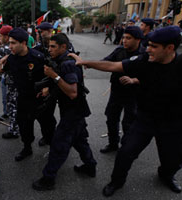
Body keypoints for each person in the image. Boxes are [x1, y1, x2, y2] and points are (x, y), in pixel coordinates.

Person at [68, 26, 182, 196]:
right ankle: (116, 182)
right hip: (145, 119)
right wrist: (84, 62)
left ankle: (166, 175)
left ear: (170, 48)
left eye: (153, 46)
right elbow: (113, 65)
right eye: (148, 44)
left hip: (171, 122)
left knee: (173, 158)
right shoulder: (144, 61)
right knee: (125, 152)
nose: (148, 49)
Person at [0, 28, 55, 161]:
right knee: (24, 126)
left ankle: (53, 149)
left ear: (23, 43)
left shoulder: (38, 57)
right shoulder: (12, 58)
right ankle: (27, 148)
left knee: (48, 126)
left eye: (13, 43)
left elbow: (51, 74)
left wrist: (47, 88)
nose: (9, 46)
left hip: (40, 99)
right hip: (23, 99)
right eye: (9, 42)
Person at [32, 34, 97, 191]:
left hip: (73, 111)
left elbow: (72, 92)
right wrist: (49, 89)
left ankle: (48, 179)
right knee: (80, 141)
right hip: (75, 110)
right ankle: (90, 166)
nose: (49, 49)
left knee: (59, 145)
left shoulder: (67, 64)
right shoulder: (62, 61)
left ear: (63, 47)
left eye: (53, 46)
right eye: (49, 46)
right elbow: (63, 85)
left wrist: (53, 76)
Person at [100, 26, 143, 153]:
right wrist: (91, 65)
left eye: (128, 38)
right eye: (124, 37)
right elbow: (106, 61)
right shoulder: (119, 50)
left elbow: (150, 76)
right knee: (111, 118)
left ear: (138, 40)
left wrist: (133, 80)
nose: (124, 40)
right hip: (116, 91)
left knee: (129, 122)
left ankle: (126, 146)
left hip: (133, 94)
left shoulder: (144, 54)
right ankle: (113, 144)